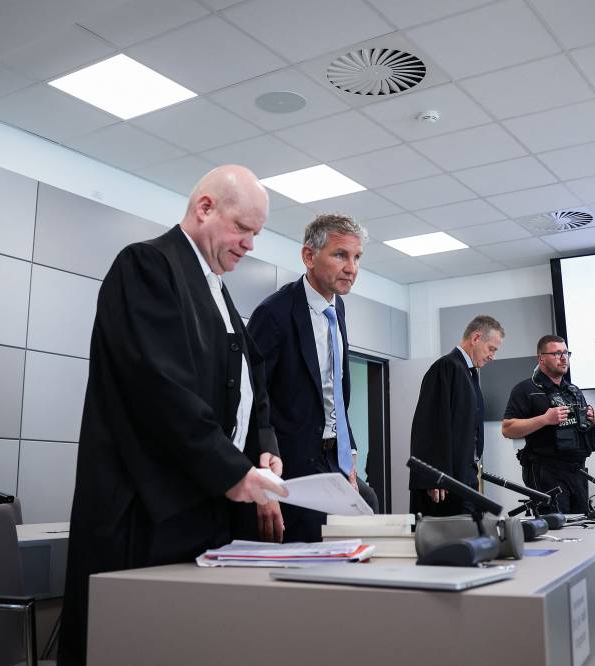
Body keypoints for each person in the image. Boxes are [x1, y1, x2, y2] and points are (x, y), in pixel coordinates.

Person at [57, 165, 288, 665]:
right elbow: (160, 390)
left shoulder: (219, 292)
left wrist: (263, 449)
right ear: (205, 208)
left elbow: (252, 384)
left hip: (201, 510)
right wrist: (233, 472)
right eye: (243, 228)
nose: (250, 244)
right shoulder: (146, 267)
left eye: (257, 233)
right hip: (145, 514)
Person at [247, 214, 378, 543]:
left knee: (370, 505)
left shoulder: (338, 309)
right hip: (291, 461)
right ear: (309, 256)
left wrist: (349, 456)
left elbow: (336, 392)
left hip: (333, 455)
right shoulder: (274, 314)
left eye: (357, 257)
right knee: (321, 538)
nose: (352, 267)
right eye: (340, 255)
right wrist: (264, 485)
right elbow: (250, 399)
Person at [409, 316, 504, 516]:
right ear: (476, 338)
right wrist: (434, 476)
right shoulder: (446, 367)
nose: (492, 357)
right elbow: (429, 426)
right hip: (445, 481)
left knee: (469, 535)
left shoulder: (469, 373)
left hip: (464, 475)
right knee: (448, 541)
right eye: (491, 349)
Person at [501, 335, 595, 514]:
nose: (563, 358)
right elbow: (508, 429)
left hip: (578, 471)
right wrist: (545, 419)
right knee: (556, 528)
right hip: (546, 472)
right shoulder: (526, 389)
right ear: (541, 358)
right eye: (556, 353)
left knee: (581, 526)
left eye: (565, 352)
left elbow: (585, 424)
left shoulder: (573, 390)